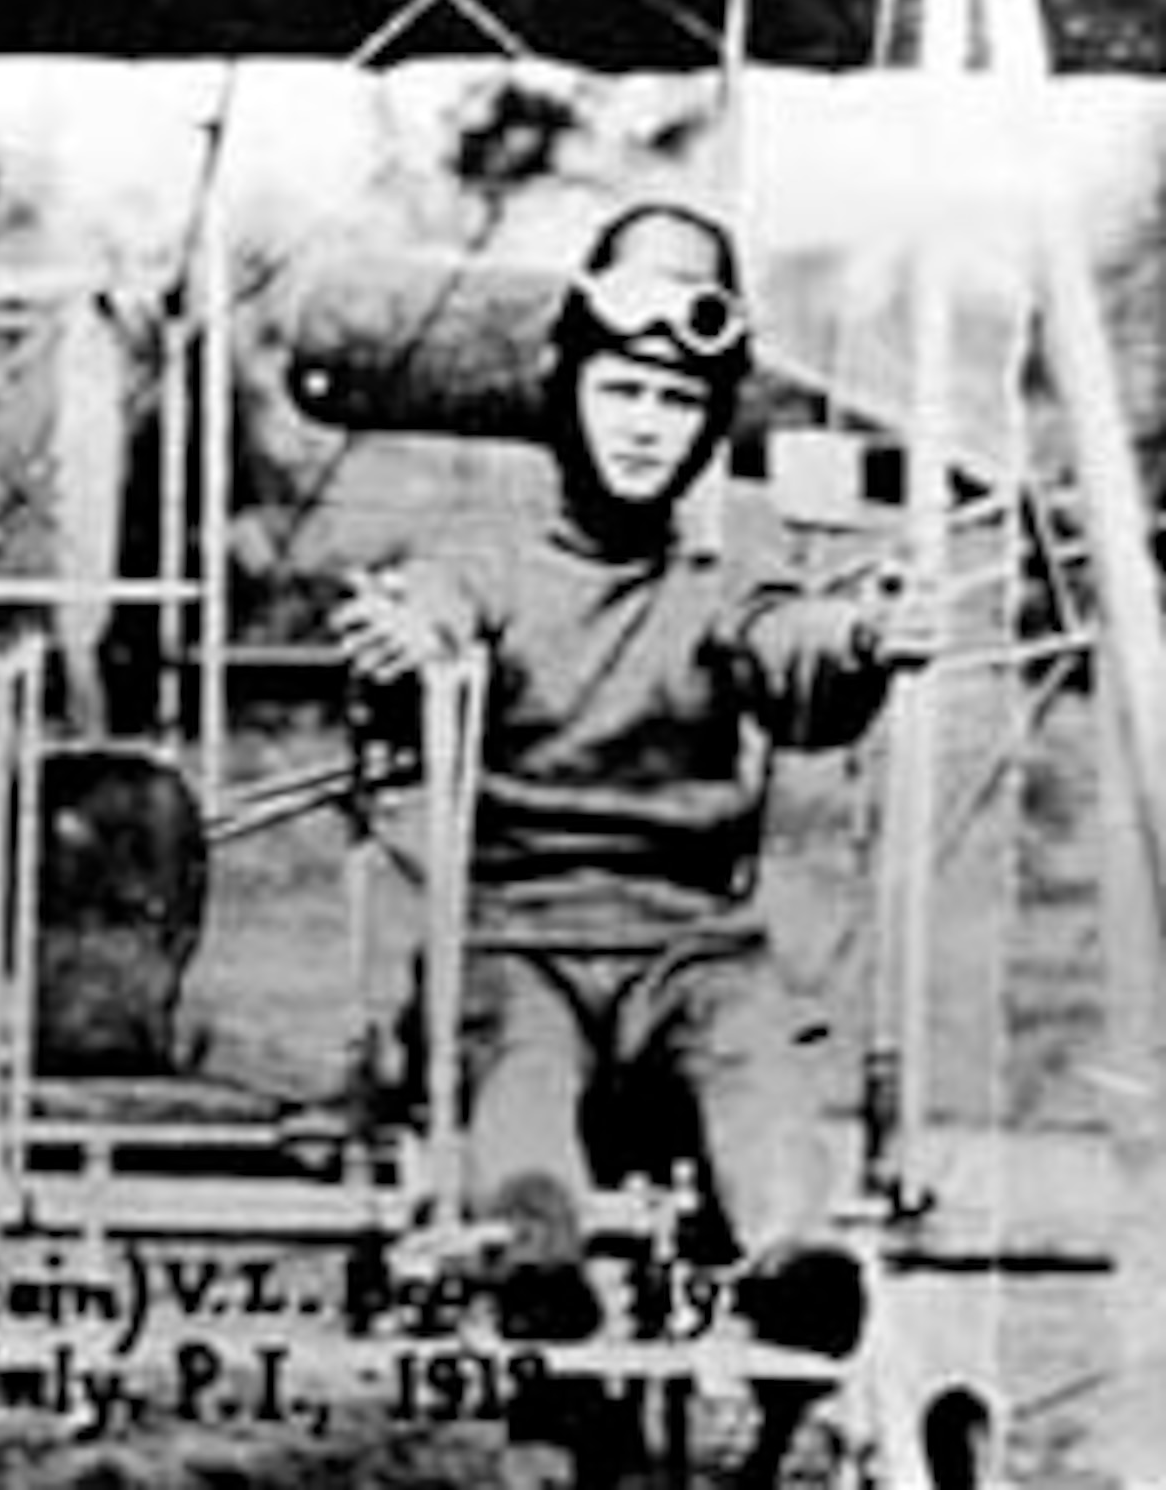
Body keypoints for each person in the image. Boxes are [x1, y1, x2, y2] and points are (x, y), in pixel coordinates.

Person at [334, 201, 932, 1474]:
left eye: (673, 400)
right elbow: (434, 611)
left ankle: (793, 1272)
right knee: (517, 1092)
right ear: (567, 393)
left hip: (691, 945)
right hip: (516, 937)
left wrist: (863, 641)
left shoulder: (727, 578)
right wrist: (413, 634)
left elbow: (792, 656)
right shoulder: (483, 557)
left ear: (708, 422)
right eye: (619, 390)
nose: (644, 423)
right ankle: (539, 1280)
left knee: (757, 1066)